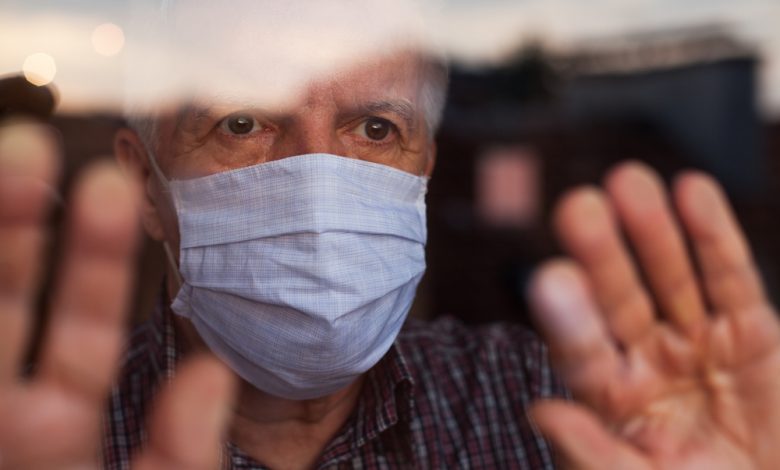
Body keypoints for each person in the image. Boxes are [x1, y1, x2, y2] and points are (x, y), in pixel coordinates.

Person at [2, 1, 780, 469]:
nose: (315, 180)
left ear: (424, 171)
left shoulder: (568, 412)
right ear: (146, 184)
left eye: (375, 128)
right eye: (242, 122)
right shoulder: (42, 439)